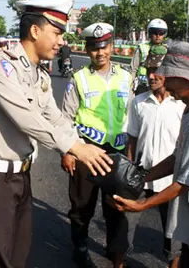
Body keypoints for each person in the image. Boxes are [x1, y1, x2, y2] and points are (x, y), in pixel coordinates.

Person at [0, 0, 113, 268]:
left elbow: (54, 117)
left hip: (20, 175)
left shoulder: (39, 75)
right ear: (34, 31)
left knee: (19, 256)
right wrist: (74, 148)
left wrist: (82, 144)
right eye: (56, 33)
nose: (61, 42)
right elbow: (26, 118)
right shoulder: (0, 64)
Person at [110, 41, 189, 268]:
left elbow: (185, 182)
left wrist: (141, 206)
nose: (165, 82)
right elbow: (176, 158)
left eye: (169, 77)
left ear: (184, 77)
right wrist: (140, 177)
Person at [61, 22, 133, 268]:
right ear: (87, 49)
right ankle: (80, 247)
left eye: (104, 47)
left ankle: (116, 251)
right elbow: (66, 118)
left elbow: (131, 116)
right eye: (94, 48)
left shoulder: (126, 77)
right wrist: (68, 151)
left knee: (116, 206)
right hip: (86, 150)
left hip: (117, 152)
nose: (99, 53)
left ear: (111, 47)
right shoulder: (79, 78)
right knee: (82, 205)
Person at [126, 45, 185, 268]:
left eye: (157, 71)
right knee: (126, 225)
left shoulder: (181, 105)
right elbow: (132, 138)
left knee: (174, 234)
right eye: (148, 70)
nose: (151, 76)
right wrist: (130, 170)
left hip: (171, 181)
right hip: (141, 176)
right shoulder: (139, 102)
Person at [130, 18, 167, 95]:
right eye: (154, 32)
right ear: (149, 33)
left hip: (160, 86)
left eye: (161, 33)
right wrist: (131, 85)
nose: (158, 36)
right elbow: (133, 68)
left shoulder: (167, 49)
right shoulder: (142, 48)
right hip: (143, 85)